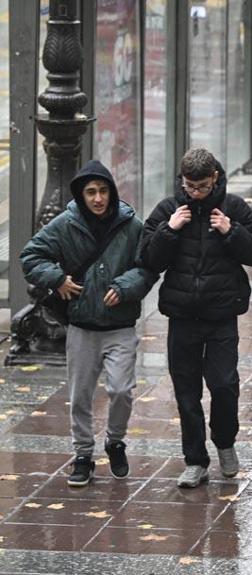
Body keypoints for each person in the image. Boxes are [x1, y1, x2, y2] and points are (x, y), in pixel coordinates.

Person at [21, 161, 158, 487]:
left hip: (120, 326)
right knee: (80, 396)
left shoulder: (131, 225)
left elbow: (148, 267)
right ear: (81, 196)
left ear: (112, 192)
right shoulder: (65, 224)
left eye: (104, 191)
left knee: (121, 390)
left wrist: (124, 287)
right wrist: (57, 279)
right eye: (91, 192)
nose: (98, 198)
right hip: (82, 327)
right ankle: (83, 455)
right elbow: (30, 256)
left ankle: (115, 441)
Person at [140, 147, 252, 488]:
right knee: (186, 391)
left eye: (202, 186)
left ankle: (225, 443)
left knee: (224, 384)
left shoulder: (234, 207)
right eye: (189, 186)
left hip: (221, 314)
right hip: (182, 316)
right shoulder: (169, 209)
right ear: (182, 180)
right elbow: (148, 258)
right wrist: (169, 230)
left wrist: (231, 231)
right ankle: (195, 460)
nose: (195, 193)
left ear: (214, 178)